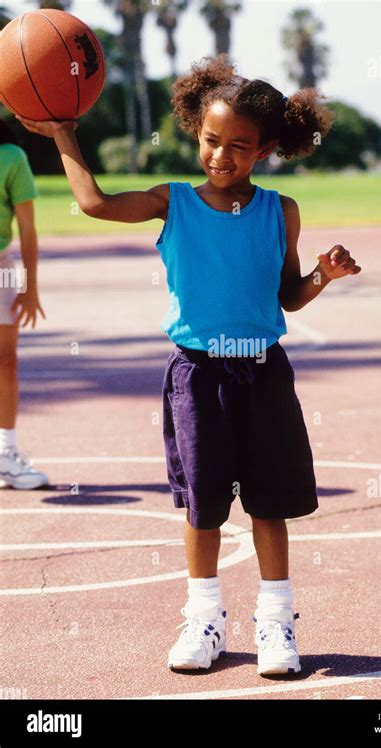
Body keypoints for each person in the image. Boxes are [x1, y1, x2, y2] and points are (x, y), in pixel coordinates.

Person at [16, 53, 361, 676]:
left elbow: (285, 296)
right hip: (197, 375)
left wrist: (323, 277)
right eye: (211, 140)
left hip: (262, 372)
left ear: (267, 149)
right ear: (194, 132)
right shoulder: (169, 201)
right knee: (203, 506)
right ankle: (204, 618)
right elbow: (92, 204)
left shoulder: (280, 211)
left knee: (269, 505)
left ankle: (276, 625)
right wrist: (66, 133)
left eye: (240, 145)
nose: (222, 155)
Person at [0, 118, 48, 489]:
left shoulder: (11, 157)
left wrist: (30, 286)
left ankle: (5, 455)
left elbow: (28, 228)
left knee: (5, 361)